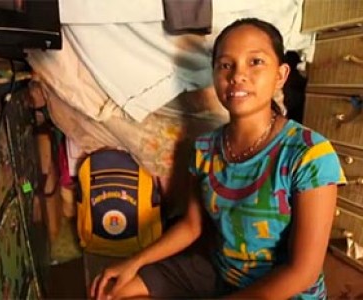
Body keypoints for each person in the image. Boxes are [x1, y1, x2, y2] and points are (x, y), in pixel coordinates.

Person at [90, 18, 346, 299]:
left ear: (281, 75)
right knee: (115, 290)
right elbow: (192, 225)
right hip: (222, 272)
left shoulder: (309, 153)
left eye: (255, 62)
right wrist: (135, 260)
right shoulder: (204, 148)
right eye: (226, 65)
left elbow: (302, 272)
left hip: (283, 290)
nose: (238, 75)